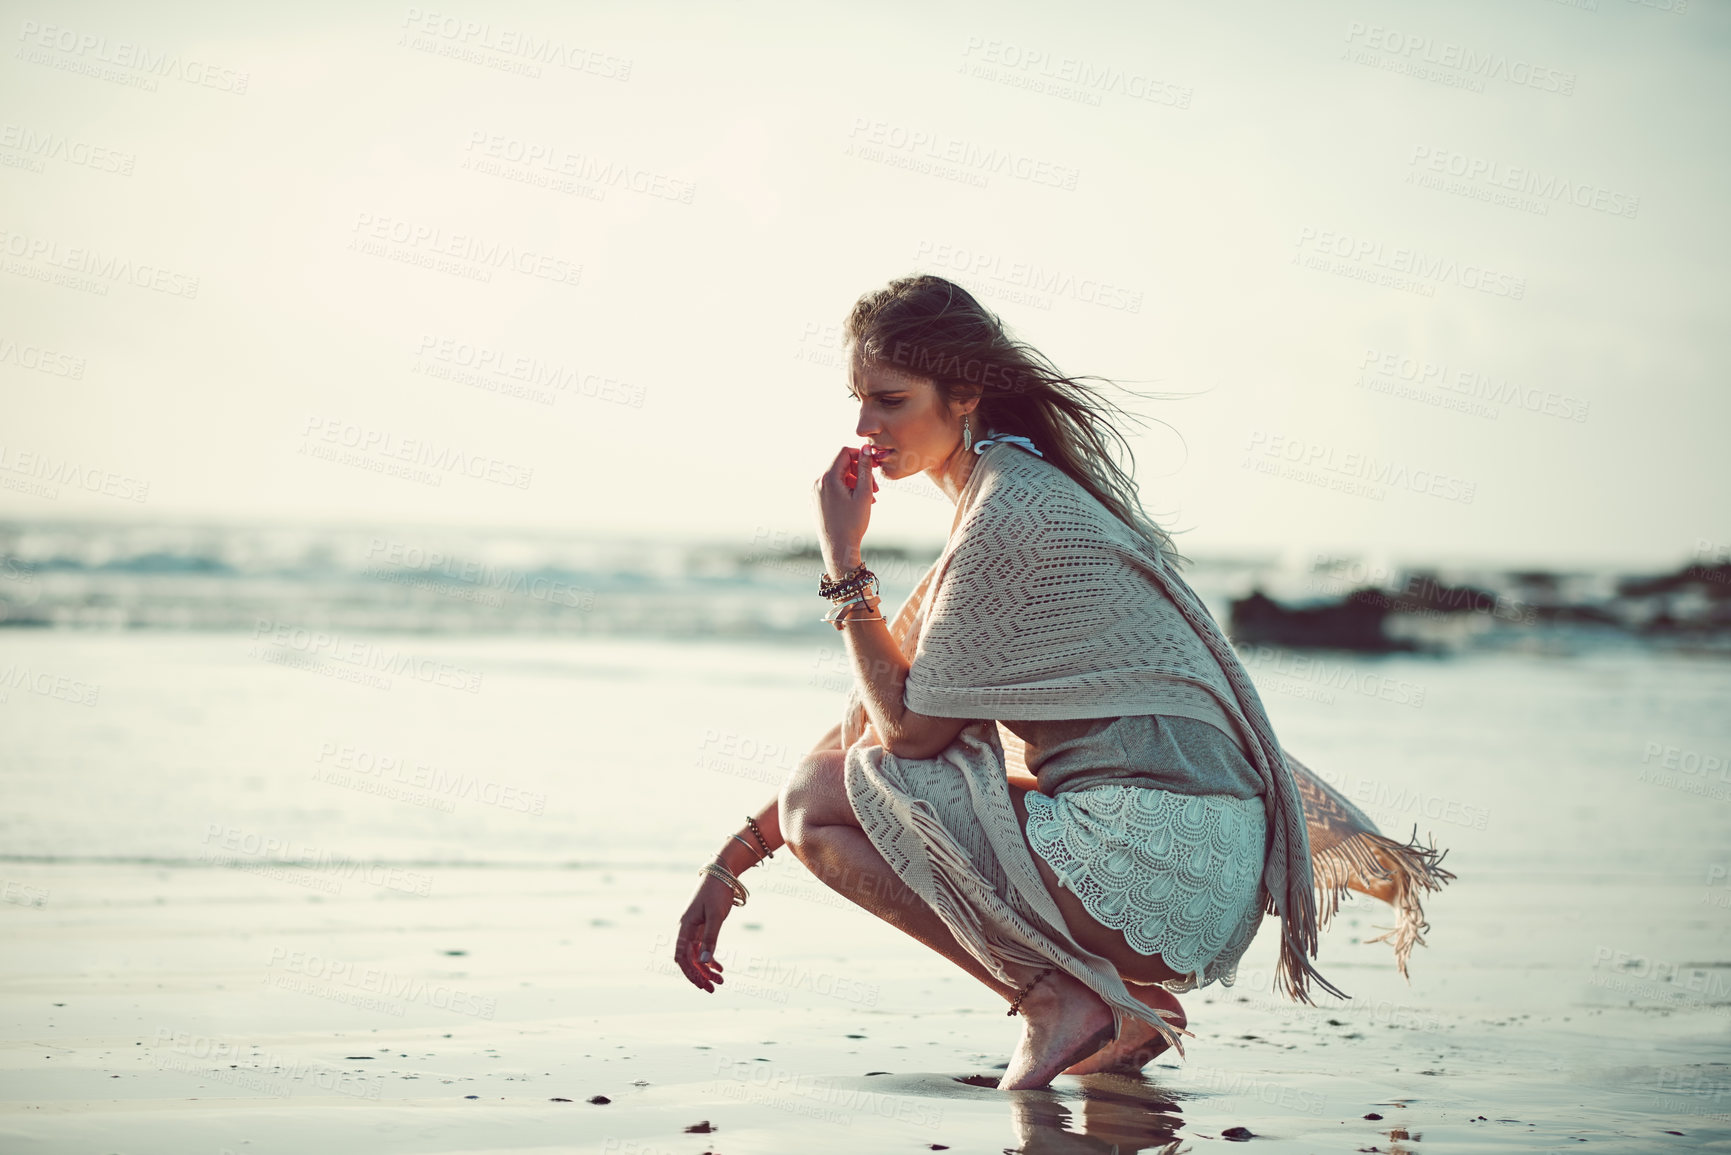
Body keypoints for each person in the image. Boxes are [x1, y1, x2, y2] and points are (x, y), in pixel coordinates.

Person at [673, 274, 1451, 1091]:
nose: (864, 427)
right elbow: (868, 729)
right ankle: (1126, 1003)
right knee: (828, 788)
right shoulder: (1018, 493)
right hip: (1200, 860)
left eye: (889, 400)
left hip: (1155, 855)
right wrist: (731, 862)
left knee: (821, 800)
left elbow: (902, 736)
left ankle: (1059, 997)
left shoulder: (1010, 513)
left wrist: (842, 561)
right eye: (857, 399)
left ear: (964, 392)